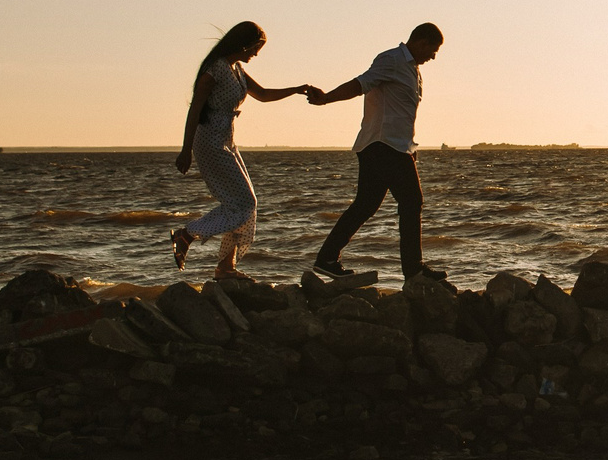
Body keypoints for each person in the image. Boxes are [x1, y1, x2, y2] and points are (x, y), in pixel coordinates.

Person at [305, 22, 445, 283]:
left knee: (366, 205)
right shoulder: (391, 60)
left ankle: (326, 259)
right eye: (433, 49)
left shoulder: (413, 71)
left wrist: (410, 148)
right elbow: (360, 84)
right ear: (421, 41)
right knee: (412, 201)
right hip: (382, 145)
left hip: (394, 146)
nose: (433, 56)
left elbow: (402, 113)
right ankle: (414, 271)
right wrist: (326, 99)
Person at [170, 22, 312, 275]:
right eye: (256, 48)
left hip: (227, 140)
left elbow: (264, 94)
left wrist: (296, 89)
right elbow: (194, 111)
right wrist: (186, 149)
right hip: (210, 140)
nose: (256, 54)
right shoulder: (214, 71)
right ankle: (187, 234)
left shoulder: (236, 70)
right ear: (244, 44)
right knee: (244, 202)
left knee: (246, 204)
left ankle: (226, 266)